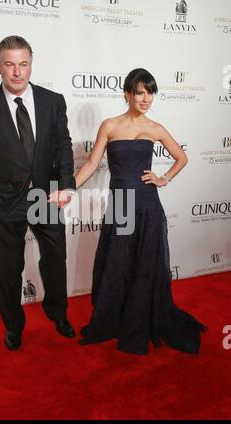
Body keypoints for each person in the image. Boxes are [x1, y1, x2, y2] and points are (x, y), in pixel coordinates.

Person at [73, 68, 206, 354]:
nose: (146, 99)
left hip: (147, 204)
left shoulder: (155, 128)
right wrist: (69, 189)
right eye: (140, 92)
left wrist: (163, 178)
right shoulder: (110, 126)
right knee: (119, 263)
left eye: (150, 93)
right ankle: (115, 319)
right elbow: (91, 164)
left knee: (145, 265)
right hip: (121, 204)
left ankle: (139, 321)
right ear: (127, 94)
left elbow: (181, 157)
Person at [0, 35, 76, 350]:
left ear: (31, 64)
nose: (17, 72)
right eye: (9, 64)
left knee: (55, 260)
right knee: (9, 270)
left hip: (46, 196)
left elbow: (63, 146)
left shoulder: (53, 101)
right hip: (5, 201)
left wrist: (66, 185)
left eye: (23, 64)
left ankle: (58, 313)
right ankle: (13, 326)